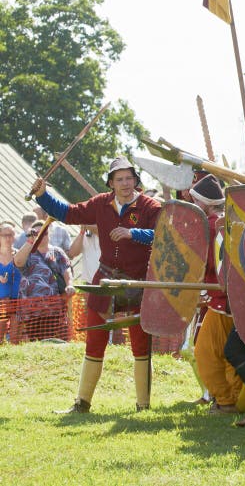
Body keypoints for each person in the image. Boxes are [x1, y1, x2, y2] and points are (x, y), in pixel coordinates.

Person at [31, 157, 161, 413]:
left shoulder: (150, 206)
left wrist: (133, 233)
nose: (126, 183)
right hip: (104, 279)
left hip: (138, 281)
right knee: (95, 340)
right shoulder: (101, 203)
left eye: (129, 178)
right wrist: (43, 195)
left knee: (140, 343)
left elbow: (165, 236)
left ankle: (143, 406)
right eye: (120, 179)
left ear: (136, 179)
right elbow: (68, 213)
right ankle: (82, 403)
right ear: (111, 183)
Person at [188, 174, 243, 415]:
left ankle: (227, 401)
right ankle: (233, 399)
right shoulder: (224, 222)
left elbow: (209, 265)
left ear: (205, 203)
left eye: (194, 201)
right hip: (232, 300)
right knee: (228, 353)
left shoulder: (210, 225)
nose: (192, 206)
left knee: (205, 352)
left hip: (221, 300)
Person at [13, 219, 74, 342]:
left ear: (49, 234)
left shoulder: (57, 252)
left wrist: (70, 285)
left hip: (53, 305)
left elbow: (66, 270)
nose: (42, 236)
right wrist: (30, 241)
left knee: (50, 337)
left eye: (44, 233)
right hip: (31, 306)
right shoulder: (27, 251)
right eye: (38, 233)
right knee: (34, 338)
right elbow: (18, 262)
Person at [0, 221, 21, 342]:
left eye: (11, 234)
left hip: (17, 299)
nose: (8, 238)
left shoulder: (19, 254)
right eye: (4, 235)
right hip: (1, 300)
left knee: (15, 338)